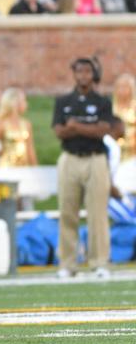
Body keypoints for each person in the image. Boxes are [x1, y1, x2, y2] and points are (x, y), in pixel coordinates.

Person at [52, 57, 113, 280]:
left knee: (97, 214)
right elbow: (59, 131)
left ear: (93, 74)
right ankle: (67, 263)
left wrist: (76, 126)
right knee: (67, 212)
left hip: (95, 158)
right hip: (70, 158)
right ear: (74, 74)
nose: (83, 76)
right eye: (79, 71)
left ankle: (99, 262)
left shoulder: (103, 101)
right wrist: (89, 127)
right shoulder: (63, 101)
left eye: (88, 71)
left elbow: (104, 130)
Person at [0, 88, 38, 168]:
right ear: (15, 103)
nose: (26, 104)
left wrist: (36, 168)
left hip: (23, 168)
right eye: (24, 100)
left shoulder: (26, 124)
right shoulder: (3, 124)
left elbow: (30, 150)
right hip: (7, 168)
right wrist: (1, 154)